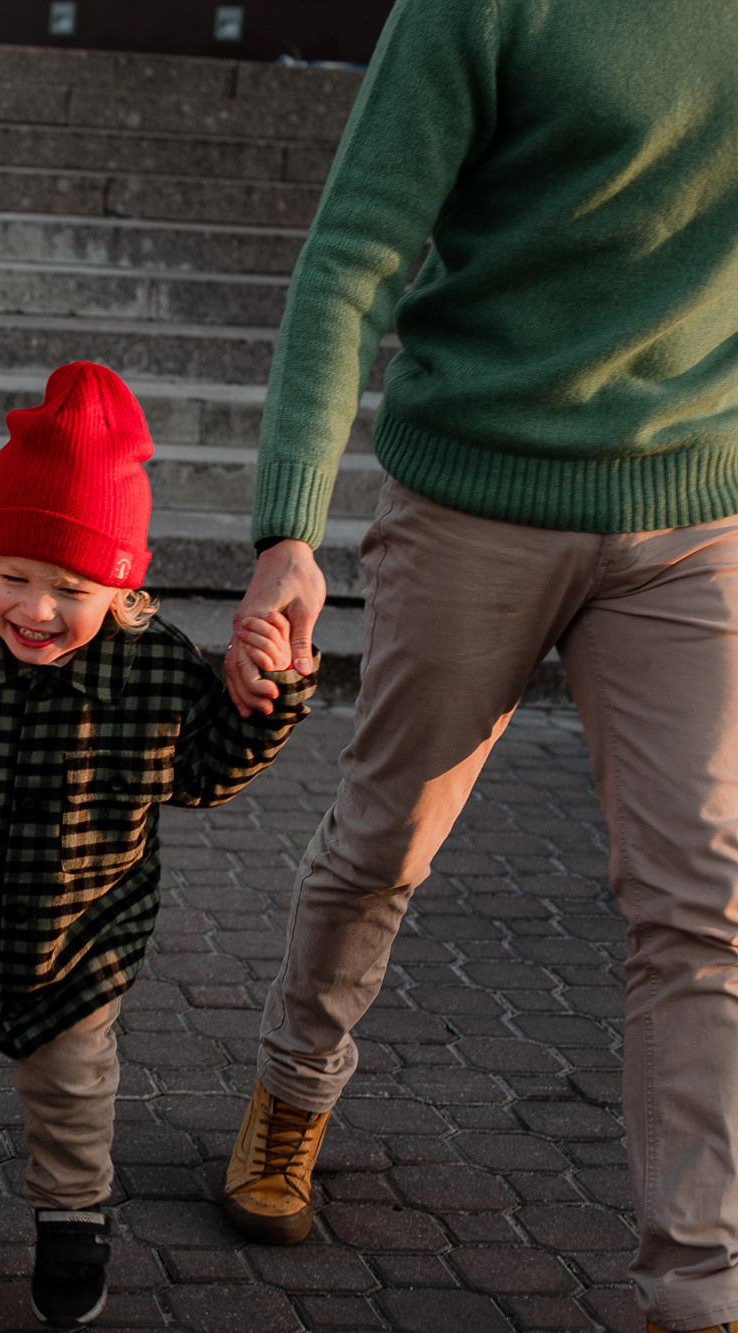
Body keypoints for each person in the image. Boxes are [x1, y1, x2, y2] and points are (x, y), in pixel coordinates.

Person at [214, 2, 738, 1329]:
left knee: (707, 898)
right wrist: (289, 527)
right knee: (386, 838)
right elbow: (353, 257)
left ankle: (698, 1286)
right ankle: (293, 1082)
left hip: (696, 514)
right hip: (476, 498)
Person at [0, 362, 315, 1328]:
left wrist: (266, 699)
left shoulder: (159, 665)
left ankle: (71, 1218)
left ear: (123, 585)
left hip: (85, 940)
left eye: (72, 586)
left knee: (75, 1094)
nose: (37, 609)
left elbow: (206, 775)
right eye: (13, 577)